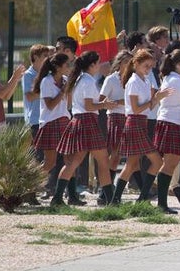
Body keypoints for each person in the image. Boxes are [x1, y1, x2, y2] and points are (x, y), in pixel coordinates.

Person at [51, 51, 113, 207]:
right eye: (98, 63)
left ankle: (57, 198)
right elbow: (89, 105)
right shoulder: (88, 81)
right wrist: (105, 105)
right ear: (92, 65)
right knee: (102, 160)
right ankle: (112, 200)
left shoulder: (79, 79)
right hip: (87, 121)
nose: (100, 65)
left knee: (73, 162)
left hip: (79, 121)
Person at [147, 49, 180, 213]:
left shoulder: (175, 78)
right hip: (175, 123)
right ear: (179, 64)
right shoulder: (177, 80)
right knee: (170, 164)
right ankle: (162, 204)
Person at [115, 50, 171, 208]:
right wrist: (155, 99)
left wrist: (156, 99)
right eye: (146, 66)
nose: (148, 69)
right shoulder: (133, 81)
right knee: (155, 161)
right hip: (134, 122)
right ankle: (139, 197)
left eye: (150, 66)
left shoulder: (145, 81)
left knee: (132, 164)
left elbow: (148, 106)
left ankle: (120, 199)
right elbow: (135, 108)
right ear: (136, 64)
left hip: (141, 122)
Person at [32, 53, 73, 199]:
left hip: (63, 121)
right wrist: (63, 90)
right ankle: (29, 188)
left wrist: (69, 90)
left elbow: (67, 105)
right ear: (57, 66)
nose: (69, 67)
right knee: (50, 163)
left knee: (70, 160)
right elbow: (49, 105)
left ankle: (65, 194)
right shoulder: (46, 82)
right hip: (51, 123)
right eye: (67, 64)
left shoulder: (65, 80)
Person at [101, 50, 132, 174]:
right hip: (116, 117)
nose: (129, 64)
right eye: (126, 62)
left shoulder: (134, 79)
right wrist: (118, 102)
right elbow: (101, 100)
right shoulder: (111, 79)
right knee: (115, 153)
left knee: (130, 155)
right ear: (119, 63)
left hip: (130, 117)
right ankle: (106, 186)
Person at [22, 44, 52, 141]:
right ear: (35, 57)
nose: (48, 58)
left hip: (48, 119)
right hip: (35, 122)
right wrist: (47, 92)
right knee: (37, 154)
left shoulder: (48, 74)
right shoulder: (28, 75)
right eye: (45, 56)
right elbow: (29, 97)